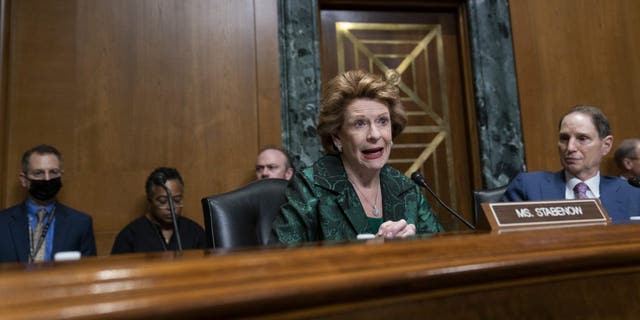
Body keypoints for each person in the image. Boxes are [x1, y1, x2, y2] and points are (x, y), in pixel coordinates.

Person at [270, 70, 443, 244]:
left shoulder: (406, 189)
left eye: (383, 121)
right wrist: (368, 253)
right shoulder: (310, 187)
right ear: (337, 136)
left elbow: (442, 251)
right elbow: (281, 259)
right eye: (360, 123)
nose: (374, 135)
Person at [502, 105, 640, 222]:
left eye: (582, 138)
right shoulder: (528, 187)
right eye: (564, 138)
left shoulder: (633, 193)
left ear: (606, 145)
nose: (570, 148)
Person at [0, 144, 96, 263]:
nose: (47, 179)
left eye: (53, 172)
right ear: (24, 180)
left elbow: (88, 273)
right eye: (38, 173)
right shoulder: (3, 223)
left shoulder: (80, 223)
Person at [111, 167, 206, 254]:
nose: (171, 207)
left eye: (177, 200)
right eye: (163, 201)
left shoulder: (195, 232)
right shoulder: (129, 236)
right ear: (150, 201)